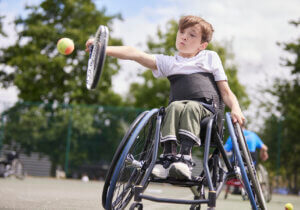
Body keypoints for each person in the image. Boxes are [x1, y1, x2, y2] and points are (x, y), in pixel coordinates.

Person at [85, 15, 245, 180]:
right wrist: (102, 48)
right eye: (182, 32)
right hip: (179, 110)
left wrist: (235, 107)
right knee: (173, 107)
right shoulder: (169, 63)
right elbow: (135, 53)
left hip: (207, 112)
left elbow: (225, 91)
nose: (184, 36)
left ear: (202, 45)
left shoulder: (209, 57)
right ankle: (168, 159)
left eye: (192, 35)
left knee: (190, 106)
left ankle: (185, 158)